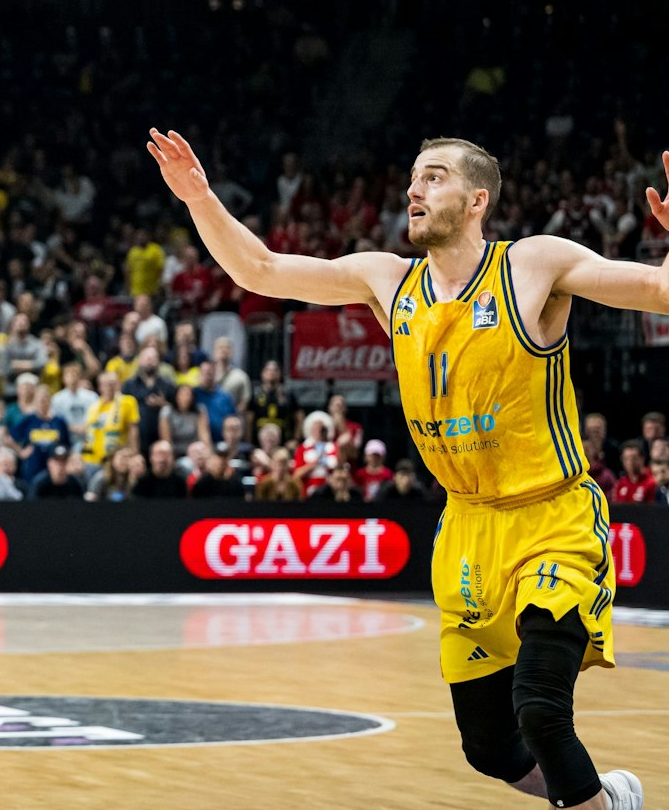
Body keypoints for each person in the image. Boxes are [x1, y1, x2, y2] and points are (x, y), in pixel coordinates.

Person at [149, 128, 651, 808]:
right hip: (468, 528)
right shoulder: (388, 280)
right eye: (414, 178)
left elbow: (656, 287)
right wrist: (199, 199)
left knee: (540, 709)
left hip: (551, 517)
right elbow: (261, 270)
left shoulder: (533, 264)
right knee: (489, 749)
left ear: (477, 200)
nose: (414, 189)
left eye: (434, 177)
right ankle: (604, 800)